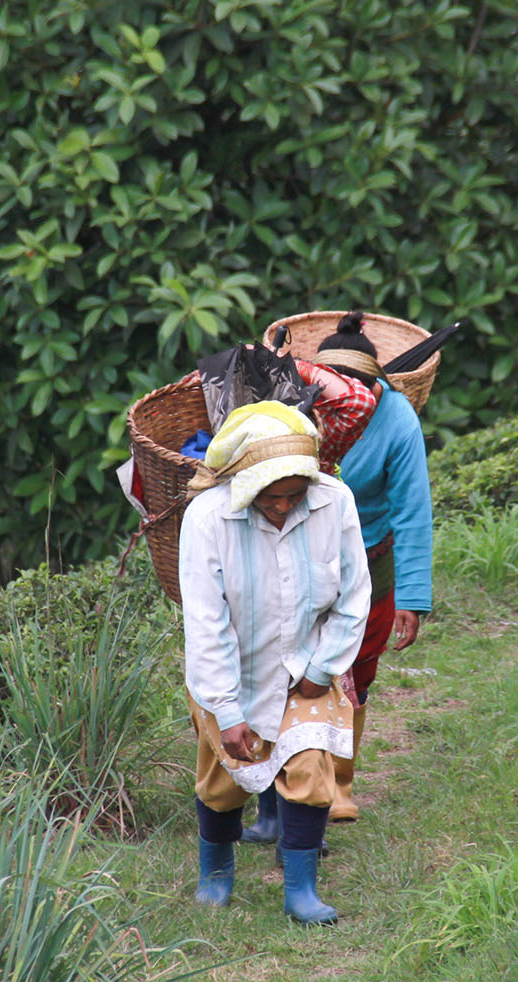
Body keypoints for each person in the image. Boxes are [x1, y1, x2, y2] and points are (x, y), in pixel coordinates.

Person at [242, 312, 433, 839]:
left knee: (357, 668)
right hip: (298, 553)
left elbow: (413, 511)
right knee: (289, 666)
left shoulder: (396, 421)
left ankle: (340, 781)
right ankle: (287, 791)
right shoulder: (295, 410)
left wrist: (412, 599)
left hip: (370, 557)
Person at [180, 401, 370, 924]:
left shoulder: (336, 503)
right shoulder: (208, 518)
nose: (283, 507)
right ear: (244, 485)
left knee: (309, 770)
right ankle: (215, 875)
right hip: (231, 674)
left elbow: (354, 595)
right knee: (222, 782)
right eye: (271, 498)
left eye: (294, 495)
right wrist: (227, 707)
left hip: (306, 666)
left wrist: (322, 668)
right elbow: (205, 621)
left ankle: (300, 891)